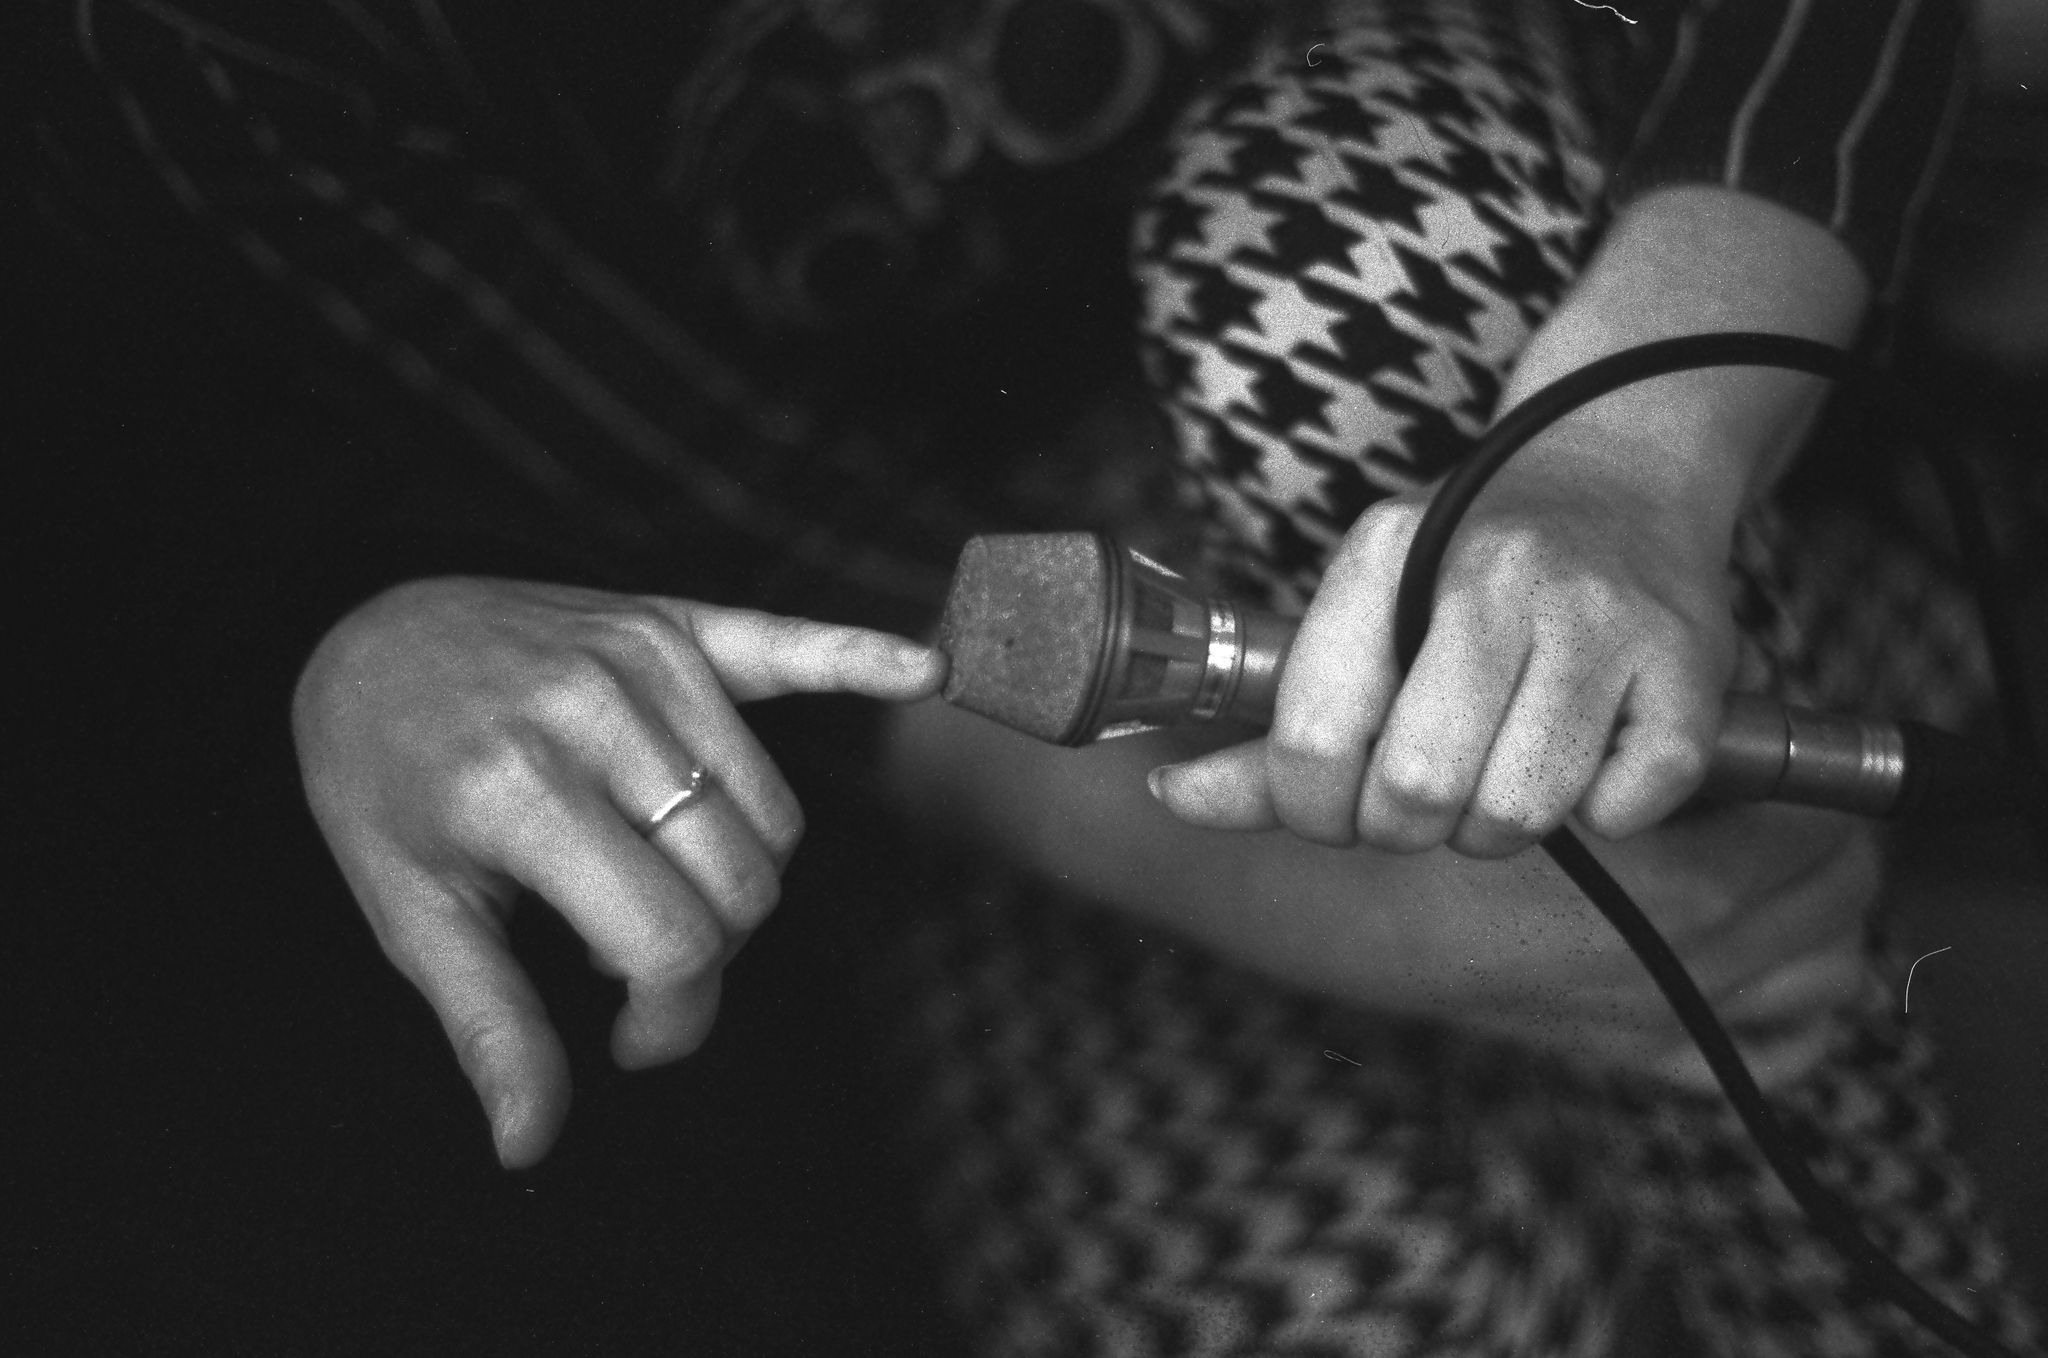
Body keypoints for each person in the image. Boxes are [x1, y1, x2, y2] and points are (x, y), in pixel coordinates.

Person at [51, 0, 2042, 1351]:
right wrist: (1360, 924)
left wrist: (1628, 453)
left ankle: (1851, 1229)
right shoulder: (218, 50)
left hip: (1536, 312)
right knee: (1325, 1318)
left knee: (1320, 251)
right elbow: (771, 543)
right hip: (1021, 723)